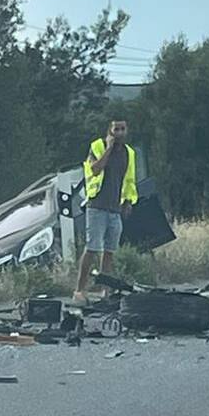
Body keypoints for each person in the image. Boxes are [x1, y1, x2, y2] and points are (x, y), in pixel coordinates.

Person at [73, 119, 139, 303]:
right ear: (109, 131)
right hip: (97, 206)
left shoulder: (129, 153)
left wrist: (128, 201)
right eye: (116, 129)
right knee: (92, 248)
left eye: (122, 129)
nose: (119, 132)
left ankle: (104, 290)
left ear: (126, 131)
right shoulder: (97, 146)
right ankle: (79, 289)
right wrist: (108, 149)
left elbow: (129, 179)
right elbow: (94, 169)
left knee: (109, 251)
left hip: (115, 208)